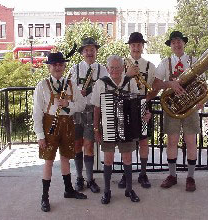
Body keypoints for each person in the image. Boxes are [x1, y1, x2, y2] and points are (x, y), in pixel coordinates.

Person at [33, 52, 87, 212]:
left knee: (65, 158)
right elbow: (36, 112)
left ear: (64, 67)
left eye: (60, 64)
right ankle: (45, 197)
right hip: (50, 125)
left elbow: (82, 105)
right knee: (48, 161)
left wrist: (68, 103)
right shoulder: (42, 85)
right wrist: (40, 135)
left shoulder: (71, 84)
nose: (57, 67)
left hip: (68, 125)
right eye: (54, 64)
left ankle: (68, 190)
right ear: (49, 67)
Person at [91, 55, 149, 204]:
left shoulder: (130, 83)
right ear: (108, 68)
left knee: (127, 158)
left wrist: (145, 113)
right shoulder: (100, 84)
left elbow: (138, 103)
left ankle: (129, 189)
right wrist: (96, 129)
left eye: (118, 67)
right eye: (112, 68)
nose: (115, 70)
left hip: (127, 127)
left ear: (123, 68)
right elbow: (96, 108)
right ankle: (107, 191)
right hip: (108, 126)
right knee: (108, 159)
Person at [153, 31, 203, 192]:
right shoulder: (164, 63)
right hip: (172, 108)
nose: (177, 44)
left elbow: (203, 83)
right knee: (172, 141)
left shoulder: (194, 61)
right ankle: (172, 175)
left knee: (191, 142)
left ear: (184, 43)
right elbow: (156, 84)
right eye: (173, 42)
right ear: (171, 45)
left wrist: (202, 100)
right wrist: (170, 84)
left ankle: (190, 177)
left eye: (179, 41)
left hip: (190, 107)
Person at [118, 32, 158, 189]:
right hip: (126, 105)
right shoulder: (121, 65)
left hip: (142, 103)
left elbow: (154, 88)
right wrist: (127, 75)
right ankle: (125, 173)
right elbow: (117, 87)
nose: (136, 48)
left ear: (142, 47)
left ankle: (143, 174)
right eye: (133, 45)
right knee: (126, 141)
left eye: (138, 45)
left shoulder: (150, 66)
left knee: (143, 141)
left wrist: (147, 101)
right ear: (130, 47)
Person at [70, 37, 108, 194]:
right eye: (86, 50)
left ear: (96, 51)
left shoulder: (103, 69)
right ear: (82, 53)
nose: (89, 53)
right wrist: (78, 91)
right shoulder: (75, 69)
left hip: (93, 111)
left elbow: (107, 89)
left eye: (92, 50)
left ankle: (90, 179)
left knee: (89, 146)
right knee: (77, 145)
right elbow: (68, 89)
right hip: (77, 111)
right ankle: (79, 178)